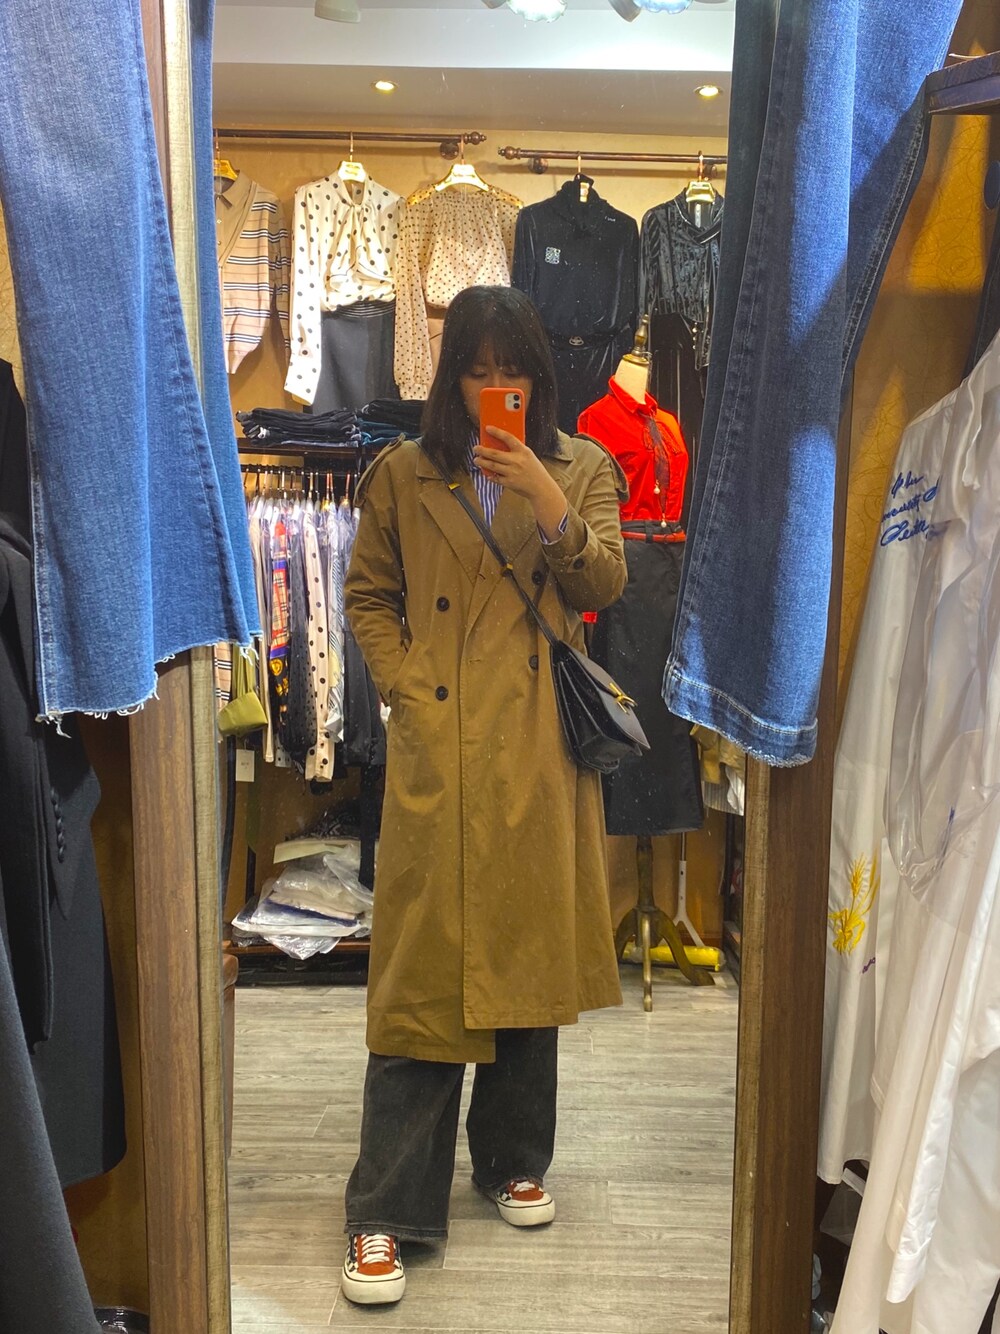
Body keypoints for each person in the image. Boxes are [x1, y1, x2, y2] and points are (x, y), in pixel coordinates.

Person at [341, 284, 628, 1306]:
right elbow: (367, 592)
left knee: (525, 952)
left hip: (536, 748)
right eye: (477, 369)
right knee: (420, 971)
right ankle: (384, 1205)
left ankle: (512, 1156)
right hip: (439, 743)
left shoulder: (582, 468)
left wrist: (546, 499)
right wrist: (403, 682)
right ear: (450, 377)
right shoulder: (402, 472)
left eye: (513, 371)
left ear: (539, 378)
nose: (496, 388)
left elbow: (603, 587)